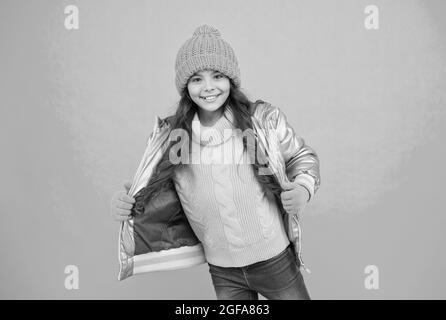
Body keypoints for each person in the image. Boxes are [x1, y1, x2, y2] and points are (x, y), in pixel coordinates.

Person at [111, 24, 321, 300]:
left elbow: (301, 157)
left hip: (275, 261)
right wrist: (127, 201)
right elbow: (156, 191)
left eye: (218, 76)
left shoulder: (260, 123)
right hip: (223, 270)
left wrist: (303, 189)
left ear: (231, 81)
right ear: (185, 86)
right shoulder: (176, 138)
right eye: (197, 79)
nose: (208, 87)